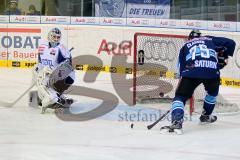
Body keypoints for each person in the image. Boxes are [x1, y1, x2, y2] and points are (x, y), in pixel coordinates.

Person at [160, 29, 236, 134]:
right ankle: (205, 117)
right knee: (212, 93)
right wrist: (224, 56)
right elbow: (231, 43)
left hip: (191, 71)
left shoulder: (185, 45)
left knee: (180, 97)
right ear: (201, 36)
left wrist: (183, 87)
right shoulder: (209, 39)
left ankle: (177, 122)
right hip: (211, 71)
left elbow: (180, 68)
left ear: (190, 38)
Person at [34, 28, 75, 113]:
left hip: (55, 74)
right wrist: (39, 69)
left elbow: (68, 63)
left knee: (71, 76)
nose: (56, 39)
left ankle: (57, 94)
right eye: (54, 36)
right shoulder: (42, 46)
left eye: (58, 37)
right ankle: (43, 97)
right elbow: (40, 62)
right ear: (49, 36)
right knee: (41, 83)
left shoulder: (62, 48)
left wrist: (57, 70)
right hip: (44, 74)